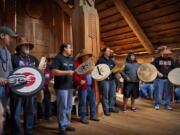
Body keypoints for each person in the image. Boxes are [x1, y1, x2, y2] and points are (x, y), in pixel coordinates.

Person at [11, 37, 40, 135]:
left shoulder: (34, 59)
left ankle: (29, 131)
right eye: (25, 45)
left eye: (28, 45)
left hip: (30, 91)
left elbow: (39, 74)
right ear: (19, 47)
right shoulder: (13, 58)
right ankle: (16, 132)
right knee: (16, 114)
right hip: (17, 91)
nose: (27, 46)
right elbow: (9, 74)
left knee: (30, 113)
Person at [52, 43, 75, 135]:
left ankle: (66, 123)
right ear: (64, 49)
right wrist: (67, 72)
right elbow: (54, 71)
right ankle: (62, 127)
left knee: (69, 107)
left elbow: (75, 71)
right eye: (70, 48)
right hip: (61, 87)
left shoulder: (71, 59)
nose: (71, 50)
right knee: (62, 107)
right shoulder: (58, 58)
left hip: (70, 86)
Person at [73, 49, 99, 124]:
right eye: (86, 56)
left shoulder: (90, 63)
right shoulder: (77, 64)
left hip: (91, 86)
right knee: (83, 102)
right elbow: (74, 76)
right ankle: (83, 117)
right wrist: (79, 81)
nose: (87, 57)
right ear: (82, 57)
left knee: (92, 101)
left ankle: (93, 115)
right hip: (83, 87)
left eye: (88, 56)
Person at [0, 26, 18, 134]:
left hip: (5, 87)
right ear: (2, 36)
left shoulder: (7, 52)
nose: (11, 40)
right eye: (9, 37)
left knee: (4, 113)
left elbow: (11, 69)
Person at [96, 48, 119, 116]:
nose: (109, 52)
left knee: (113, 94)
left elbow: (115, 68)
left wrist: (117, 71)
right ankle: (106, 109)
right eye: (108, 51)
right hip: (104, 80)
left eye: (109, 51)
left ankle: (111, 107)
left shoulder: (112, 60)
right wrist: (103, 75)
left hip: (112, 80)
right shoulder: (100, 60)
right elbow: (97, 70)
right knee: (105, 95)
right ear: (104, 52)